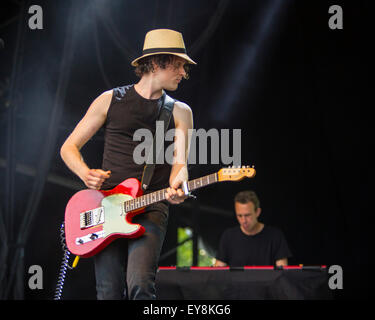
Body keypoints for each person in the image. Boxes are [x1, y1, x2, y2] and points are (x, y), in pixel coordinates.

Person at [60, 29, 196, 299]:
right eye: (179, 65)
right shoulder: (109, 99)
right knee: (108, 291)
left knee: (140, 286)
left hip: (151, 206)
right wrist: (85, 173)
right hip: (106, 208)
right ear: (157, 63)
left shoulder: (181, 111)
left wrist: (178, 186)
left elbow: (180, 164)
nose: (184, 72)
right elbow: (68, 147)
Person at [215, 190, 292, 267]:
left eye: (247, 215)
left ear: (257, 212)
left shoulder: (275, 236)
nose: (243, 221)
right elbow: (218, 270)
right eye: (239, 216)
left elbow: (282, 272)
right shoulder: (228, 236)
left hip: (267, 279)